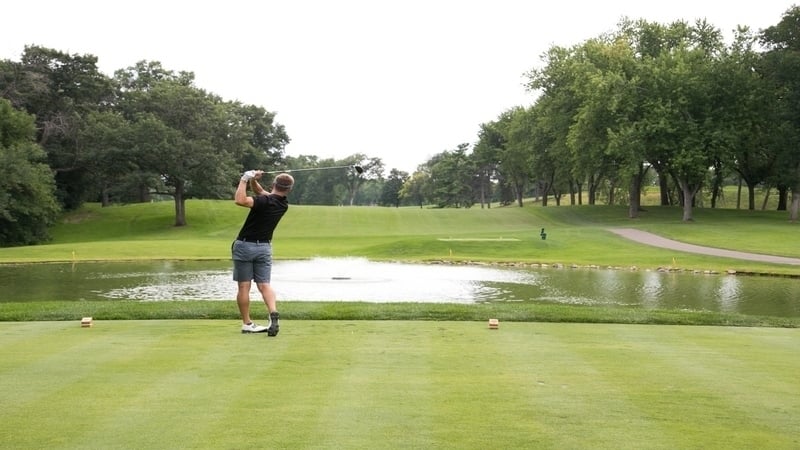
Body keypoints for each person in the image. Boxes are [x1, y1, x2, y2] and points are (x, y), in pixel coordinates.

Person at [232, 169, 294, 336]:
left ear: (273, 184)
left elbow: (240, 200)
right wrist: (254, 180)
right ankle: (273, 312)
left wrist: (244, 179)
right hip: (264, 248)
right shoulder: (282, 204)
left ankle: (247, 323)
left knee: (244, 286)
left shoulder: (263, 201)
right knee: (264, 284)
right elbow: (260, 192)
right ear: (289, 190)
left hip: (245, 246)